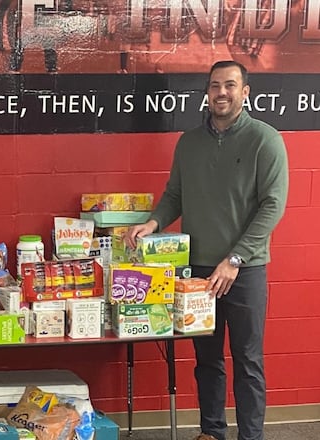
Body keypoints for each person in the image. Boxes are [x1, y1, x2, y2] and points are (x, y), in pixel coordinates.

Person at [124, 60, 289, 440]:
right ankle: (211, 432)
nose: (222, 93)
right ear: (207, 92)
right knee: (207, 361)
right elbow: (174, 196)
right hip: (196, 272)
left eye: (230, 85)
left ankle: (251, 436)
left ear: (245, 92)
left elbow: (273, 205)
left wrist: (235, 259)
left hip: (243, 271)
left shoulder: (265, 140)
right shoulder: (189, 142)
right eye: (215, 86)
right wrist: (153, 223)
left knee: (248, 361)